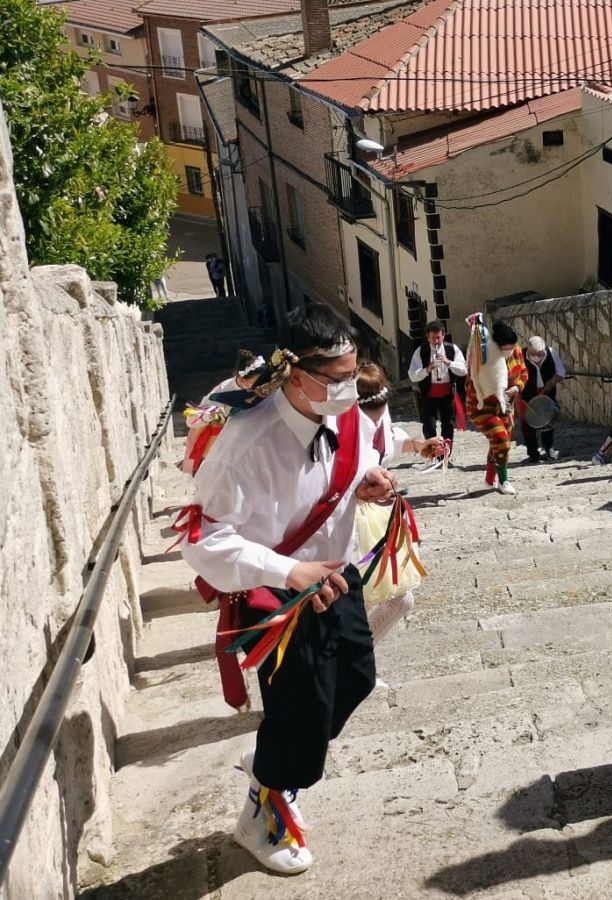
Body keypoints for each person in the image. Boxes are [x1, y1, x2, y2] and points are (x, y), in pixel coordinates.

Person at [180, 306, 396, 875]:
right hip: (275, 594)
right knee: (302, 708)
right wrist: (286, 572)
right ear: (295, 373)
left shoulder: (348, 418)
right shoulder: (244, 441)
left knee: (356, 678)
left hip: (335, 574)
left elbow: (356, 467)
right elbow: (202, 540)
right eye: (338, 378)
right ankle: (263, 811)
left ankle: (275, 759)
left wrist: (368, 484)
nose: (351, 389)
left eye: (355, 373)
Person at [354, 363, 438, 685]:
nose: (376, 418)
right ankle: (357, 667)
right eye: (370, 412)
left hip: (384, 515)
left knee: (402, 599)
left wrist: (420, 446)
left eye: (381, 409)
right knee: (363, 600)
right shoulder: (344, 426)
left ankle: (358, 661)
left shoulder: (381, 416)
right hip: (355, 521)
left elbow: (391, 438)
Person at [464, 314, 528, 495]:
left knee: (498, 442)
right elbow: (471, 382)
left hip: (507, 406)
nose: (509, 351)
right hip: (482, 406)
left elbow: (523, 373)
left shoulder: (516, 352)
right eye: (505, 349)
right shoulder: (482, 357)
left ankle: (489, 478)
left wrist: (516, 388)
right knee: (501, 441)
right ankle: (503, 480)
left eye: (511, 348)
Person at [182, 349, 266, 475]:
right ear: (243, 380)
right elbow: (191, 421)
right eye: (256, 382)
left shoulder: (261, 387)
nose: (261, 385)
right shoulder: (221, 392)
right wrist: (211, 415)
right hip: (223, 445)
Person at [407, 321, 468, 472]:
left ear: (443, 335)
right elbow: (412, 375)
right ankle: (434, 454)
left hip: (447, 394)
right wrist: (427, 370)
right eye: (433, 338)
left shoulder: (452, 349)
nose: (436, 341)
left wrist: (449, 363)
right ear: (427, 337)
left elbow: (463, 370)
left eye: (439, 337)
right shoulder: (420, 352)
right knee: (429, 426)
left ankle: (444, 457)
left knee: (448, 425)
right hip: (429, 395)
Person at [517, 335, 568, 463]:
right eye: (533, 354)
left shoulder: (550, 352)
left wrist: (552, 381)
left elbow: (561, 372)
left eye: (539, 353)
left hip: (546, 391)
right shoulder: (520, 356)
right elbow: (512, 374)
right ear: (528, 350)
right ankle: (533, 453)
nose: (536, 356)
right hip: (527, 393)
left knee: (547, 420)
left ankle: (549, 449)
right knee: (527, 424)